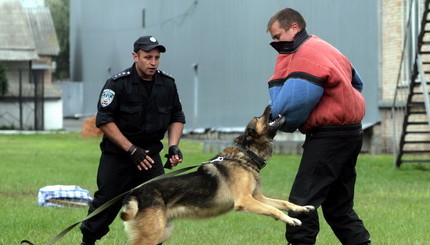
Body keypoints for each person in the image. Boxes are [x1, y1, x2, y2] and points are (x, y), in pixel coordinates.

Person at [266, 8, 371, 245]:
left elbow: (293, 103)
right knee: (338, 208)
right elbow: (357, 83)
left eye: (277, 36)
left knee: (301, 203)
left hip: (329, 137)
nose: (275, 43)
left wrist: (277, 121)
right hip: (351, 132)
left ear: (294, 27)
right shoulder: (326, 47)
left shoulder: (305, 54)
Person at [80, 35, 186, 245]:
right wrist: (131, 150)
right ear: (135, 56)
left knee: (157, 206)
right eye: (148, 57)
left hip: (149, 158)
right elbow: (104, 120)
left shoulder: (167, 84)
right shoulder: (117, 84)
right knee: (106, 203)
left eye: (156, 57)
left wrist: (173, 146)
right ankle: (88, 241)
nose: (153, 62)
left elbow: (177, 116)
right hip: (119, 157)